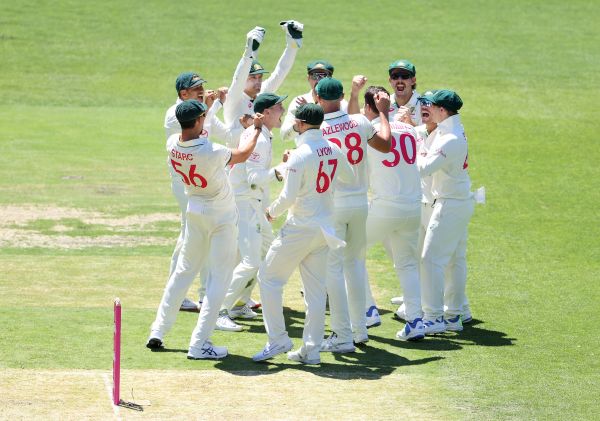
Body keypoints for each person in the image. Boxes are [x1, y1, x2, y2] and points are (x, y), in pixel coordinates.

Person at [146, 99, 263, 359]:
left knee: (182, 273)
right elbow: (243, 154)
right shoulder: (211, 151)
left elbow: (201, 132)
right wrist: (256, 129)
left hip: (194, 211)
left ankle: (158, 330)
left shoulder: (172, 143)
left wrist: (211, 109)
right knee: (218, 280)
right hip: (219, 217)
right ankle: (200, 344)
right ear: (198, 121)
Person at [252, 104, 353, 365]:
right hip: (324, 229)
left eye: (296, 121)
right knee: (316, 292)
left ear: (303, 124)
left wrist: (270, 212)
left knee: (268, 279)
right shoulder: (333, 148)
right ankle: (311, 350)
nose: (294, 123)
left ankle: (278, 339)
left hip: (300, 228)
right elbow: (349, 176)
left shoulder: (300, 155)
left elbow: (288, 197)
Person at [314, 78, 391, 352]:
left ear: (318, 98)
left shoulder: (319, 128)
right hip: (361, 203)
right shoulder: (359, 121)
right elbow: (385, 145)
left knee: (333, 269)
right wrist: (383, 113)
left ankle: (341, 334)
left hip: (334, 204)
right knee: (356, 265)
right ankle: (359, 330)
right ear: (343, 96)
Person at [354, 85, 425, 341]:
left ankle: (368, 309)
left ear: (368, 107)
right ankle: (416, 321)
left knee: (352, 251)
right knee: (407, 263)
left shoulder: (371, 130)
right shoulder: (409, 128)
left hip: (386, 206)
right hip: (413, 206)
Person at [216, 93, 288, 331]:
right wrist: (281, 170)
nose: (283, 110)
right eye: (279, 107)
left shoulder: (264, 134)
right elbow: (254, 178)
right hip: (244, 203)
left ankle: (238, 303)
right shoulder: (260, 139)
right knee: (250, 260)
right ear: (266, 112)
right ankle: (219, 310)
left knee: (268, 251)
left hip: (252, 203)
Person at [164, 72, 228, 312]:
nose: (202, 90)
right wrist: (211, 107)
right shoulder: (176, 115)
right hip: (186, 183)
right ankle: (189, 295)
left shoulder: (195, 110)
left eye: (202, 86)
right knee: (192, 238)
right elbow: (200, 138)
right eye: (196, 88)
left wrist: (209, 108)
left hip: (195, 180)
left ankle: (190, 295)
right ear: (183, 94)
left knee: (193, 237)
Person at [416, 90, 474, 335]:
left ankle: (434, 317)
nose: (430, 109)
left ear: (443, 110)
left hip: (450, 203)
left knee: (430, 260)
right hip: (458, 200)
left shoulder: (449, 137)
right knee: (454, 260)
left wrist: (418, 148)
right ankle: (453, 315)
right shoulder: (451, 130)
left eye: (434, 106)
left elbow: (424, 168)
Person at [223, 21, 303, 148]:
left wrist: (292, 46)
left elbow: (280, 73)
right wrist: (248, 51)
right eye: (253, 77)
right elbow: (238, 79)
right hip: (236, 163)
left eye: (260, 77)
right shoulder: (234, 98)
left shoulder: (262, 94)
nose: (258, 81)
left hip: (260, 156)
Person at [280, 60, 348, 145]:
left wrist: (312, 111)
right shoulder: (298, 101)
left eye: (323, 76)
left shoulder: (340, 102)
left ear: (330, 78)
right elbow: (284, 135)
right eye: (315, 76)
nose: (319, 80)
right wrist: (301, 121)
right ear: (308, 78)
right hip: (308, 154)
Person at [387, 60, 422, 126]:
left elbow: (429, 135)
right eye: (395, 76)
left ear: (413, 80)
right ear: (390, 81)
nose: (400, 80)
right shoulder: (384, 103)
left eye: (405, 76)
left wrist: (409, 123)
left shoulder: (423, 105)